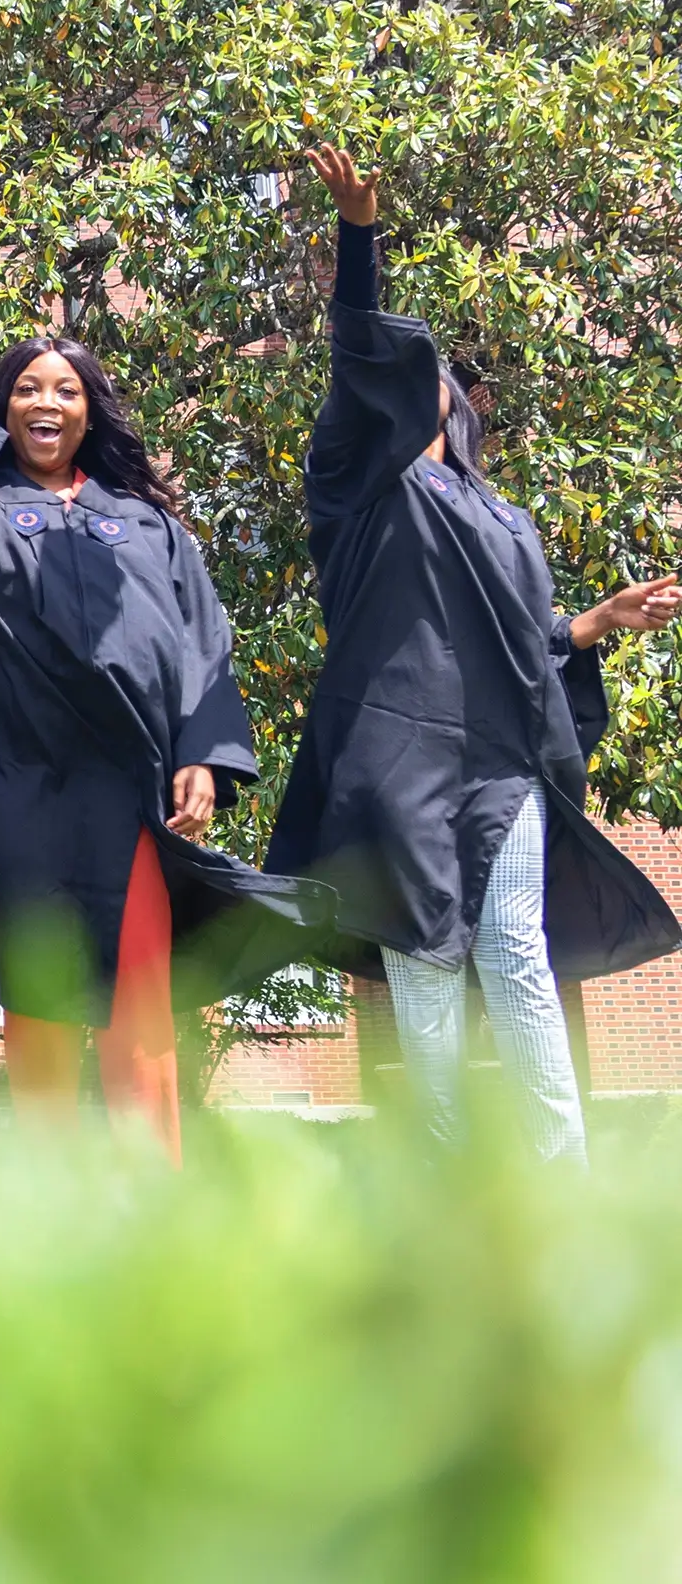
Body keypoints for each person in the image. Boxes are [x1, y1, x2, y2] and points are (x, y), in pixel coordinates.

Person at [0, 205, 325, 1159]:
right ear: (1, 410)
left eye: (66, 389)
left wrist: (203, 752)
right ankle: (50, 1205)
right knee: (39, 988)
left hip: (131, 781)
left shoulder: (146, 523)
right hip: (21, 773)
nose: (46, 402)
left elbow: (203, 640)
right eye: (27, 388)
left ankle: (150, 1194)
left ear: (89, 410)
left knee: (137, 986)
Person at [268, 148, 680, 1164]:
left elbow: (513, 645)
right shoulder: (362, 491)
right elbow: (359, 353)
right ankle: (450, 1194)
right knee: (424, 964)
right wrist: (358, 236)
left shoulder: (504, 518)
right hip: (396, 756)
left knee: (517, 958)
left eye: (435, 387)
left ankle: (561, 1181)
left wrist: (593, 624)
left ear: (458, 411)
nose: (418, 395)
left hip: (500, 758)